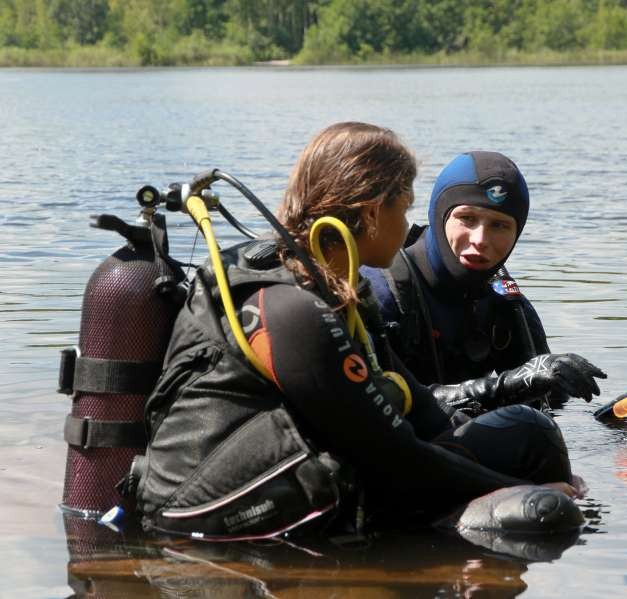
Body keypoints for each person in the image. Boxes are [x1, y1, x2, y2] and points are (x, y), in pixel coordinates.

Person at [134, 123, 584, 541]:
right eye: (404, 208)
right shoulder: (293, 311)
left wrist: (523, 459)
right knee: (542, 511)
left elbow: (423, 409)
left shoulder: (342, 292)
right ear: (371, 214)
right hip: (209, 517)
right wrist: (523, 489)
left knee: (529, 433)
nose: (409, 226)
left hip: (314, 474)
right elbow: (395, 454)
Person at [362, 151, 627, 428]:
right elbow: (382, 404)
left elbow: (550, 407)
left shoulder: (503, 299)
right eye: (467, 218)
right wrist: (508, 385)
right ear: (439, 215)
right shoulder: (383, 292)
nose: (480, 240)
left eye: (499, 225)